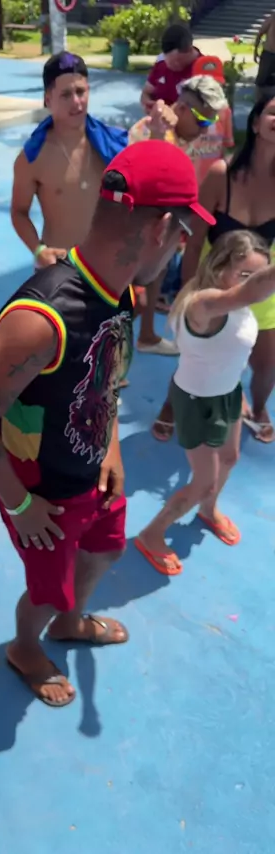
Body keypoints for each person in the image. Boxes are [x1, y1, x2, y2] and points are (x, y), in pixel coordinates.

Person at [0, 140, 215, 708]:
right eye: (182, 232)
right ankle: (25, 647)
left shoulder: (120, 291)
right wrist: (20, 504)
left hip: (93, 470)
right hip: (42, 494)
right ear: (161, 228)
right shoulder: (39, 320)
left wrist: (112, 446)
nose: (182, 244)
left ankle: (72, 621)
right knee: (47, 591)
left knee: (106, 551)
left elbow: (107, 378)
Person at [135, 231, 273, 576]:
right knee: (203, 483)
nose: (252, 282)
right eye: (245, 274)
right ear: (219, 267)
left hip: (228, 393)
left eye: (259, 273)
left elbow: (232, 348)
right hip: (197, 402)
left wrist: (237, 389)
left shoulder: (236, 305)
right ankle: (151, 534)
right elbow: (255, 290)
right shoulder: (204, 303)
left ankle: (208, 511)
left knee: (230, 458)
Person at [152, 93, 275, 443]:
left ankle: (259, 406)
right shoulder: (222, 175)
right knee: (195, 358)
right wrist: (188, 293)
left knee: (267, 364)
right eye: (273, 113)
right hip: (214, 283)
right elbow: (194, 241)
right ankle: (171, 405)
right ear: (255, 122)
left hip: (262, 288)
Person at [130, 74, 227, 355]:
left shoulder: (189, 133)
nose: (207, 128)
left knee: (158, 275)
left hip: (169, 223)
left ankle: (147, 336)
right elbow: (147, 184)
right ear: (182, 108)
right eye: (203, 121)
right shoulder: (150, 131)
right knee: (132, 303)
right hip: (138, 227)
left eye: (212, 121)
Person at [11, 51, 127, 269]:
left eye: (80, 92)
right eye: (65, 95)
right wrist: (38, 250)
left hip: (107, 266)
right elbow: (19, 212)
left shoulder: (113, 145)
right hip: (59, 266)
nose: (76, 102)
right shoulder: (33, 158)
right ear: (48, 100)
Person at [140, 23, 201, 112]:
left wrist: (167, 112)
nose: (171, 66)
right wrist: (147, 103)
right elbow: (146, 93)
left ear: (190, 50)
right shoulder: (161, 63)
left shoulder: (204, 69)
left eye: (177, 61)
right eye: (168, 61)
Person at [254, 12, 275, 96]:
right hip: (268, 54)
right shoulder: (272, 18)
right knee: (261, 80)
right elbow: (260, 33)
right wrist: (255, 51)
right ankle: (259, 100)